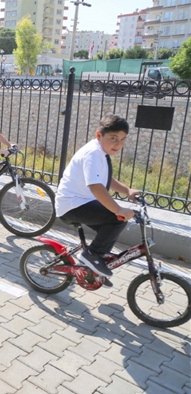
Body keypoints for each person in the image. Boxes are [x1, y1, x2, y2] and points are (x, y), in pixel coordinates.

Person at [55, 114, 139, 280]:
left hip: (82, 202)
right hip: (72, 205)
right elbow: (96, 186)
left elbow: (105, 179)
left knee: (114, 225)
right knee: (116, 218)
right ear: (99, 135)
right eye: (113, 138)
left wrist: (127, 190)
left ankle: (92, 268)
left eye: (123, 139)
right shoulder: (92, 153)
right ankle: (92, 256)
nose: (118, 144)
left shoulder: (101, 152)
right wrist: (119, 209)